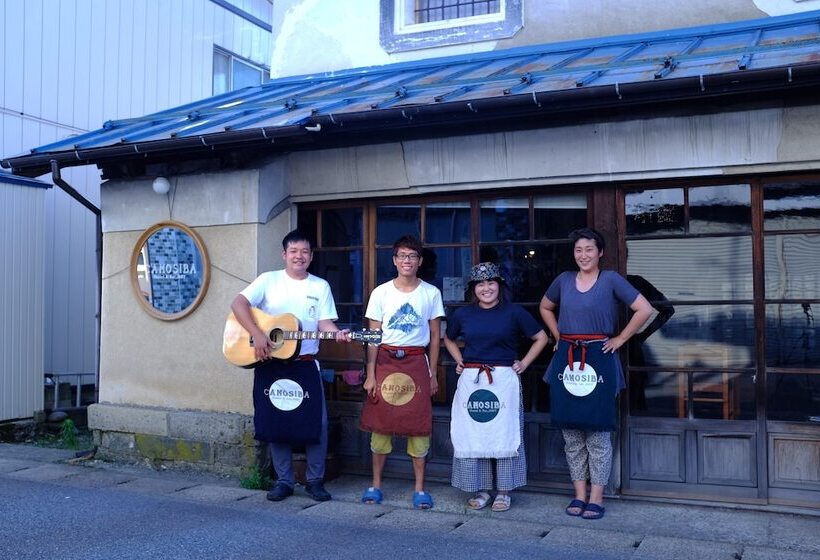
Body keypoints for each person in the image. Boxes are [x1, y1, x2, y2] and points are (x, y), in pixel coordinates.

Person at [539, 228, 653, 520]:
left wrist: (619, 339)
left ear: (600, 252)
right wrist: (558, 336)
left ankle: (597, 497)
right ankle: (578, 495)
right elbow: (545, 306)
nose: (584, 255)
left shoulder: (611, 279)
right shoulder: (563, 280)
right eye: (579, 250)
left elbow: (644, 308)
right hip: (568, 358)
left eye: (589, 249)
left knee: (598, 434)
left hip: (599, 359)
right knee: (572, 434)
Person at [230, 229, 350, 503]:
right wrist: (259, 334)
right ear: (284, 255)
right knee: (276, 423)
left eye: (305, 252)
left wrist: (339, 334)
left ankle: (315, 481)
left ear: (311, 256)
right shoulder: (268, 280)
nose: (299, 256)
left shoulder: (319, 286)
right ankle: (284, 481)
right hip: (270, 362)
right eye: (294, 251)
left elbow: (324, 324)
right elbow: (238, 304)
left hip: (305, 364)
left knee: (316, 424)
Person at [444, 262, 548, 512]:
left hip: (503, 381)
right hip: (473, 378)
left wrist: (524, 363)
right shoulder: (463, 315)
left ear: (500, 286)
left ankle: (503, 491)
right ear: (473, 289)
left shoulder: (514, 312)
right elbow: (447, 337)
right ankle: (480, 489)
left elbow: (541, 337)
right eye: (480, 284)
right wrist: (460, 361)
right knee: (475, 434)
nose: (486, 288)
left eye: (491, 283)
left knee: (504, 434)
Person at [359, 235, 444, 510]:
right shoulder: (381, 292)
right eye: (402, 256)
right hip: (385, 359)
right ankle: (376, 485)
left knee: (418, 427)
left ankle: (419, 489)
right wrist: (370, 373)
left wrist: (433, 374)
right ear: (394, 260)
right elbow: (373, 336)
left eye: (412, 256)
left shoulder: (430, 293)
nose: (407, 260)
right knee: (380, 427)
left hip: (417, 361)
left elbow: (434, 336)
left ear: (419, 262)